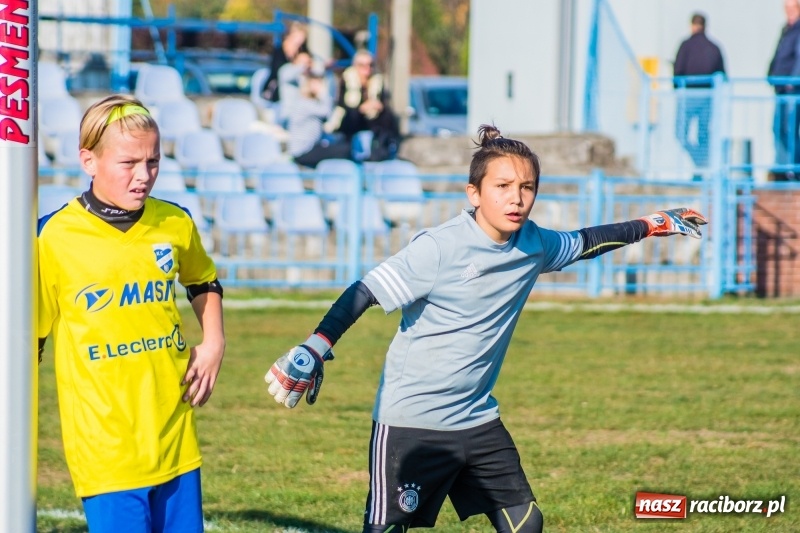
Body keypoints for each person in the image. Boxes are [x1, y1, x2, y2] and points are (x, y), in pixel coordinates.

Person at [264, 125, 708, 533]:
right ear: (474, 193)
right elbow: (364, 292)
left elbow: (588, 241)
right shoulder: (438, 248)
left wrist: (653, 224)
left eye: (527, 187)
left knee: (526, 523)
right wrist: (314, 347)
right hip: (411, 424)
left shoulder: (533, 244)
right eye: (502, 187)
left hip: (477, 420)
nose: (516, 198)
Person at [38, 94, 226, 533]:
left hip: (175, 433)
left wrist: (214, 341)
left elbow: (202, 281)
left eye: (154, 161)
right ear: (89, 161)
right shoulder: (54, 237)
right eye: (129, 163)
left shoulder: (173, 222)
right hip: (105, 445)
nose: (144, 176)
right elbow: (29, 340)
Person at [673, 12, 725, 174]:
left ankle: (700, 165)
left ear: (692, 25)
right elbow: (722, 75)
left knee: (681, 133)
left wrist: (677, 88)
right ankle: (702, 165)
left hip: (689, 96)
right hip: (708, 97)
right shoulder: (714, 47)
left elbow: (678, 71)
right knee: (704, 135)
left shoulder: (686, 46)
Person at [326, 49, 401, 161]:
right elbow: (341, 105)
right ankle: (349, 148)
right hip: (351, 120)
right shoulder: (346, 79)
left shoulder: (377, 80)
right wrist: (361, 108)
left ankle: (383, 150)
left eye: (370, 65)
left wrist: (377, 105)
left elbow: (384, 102)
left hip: (372, 120)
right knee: (352, 115)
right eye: (362, 65)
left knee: (388, 117)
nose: (367, 68)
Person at [288, 70, 353, 169]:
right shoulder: (303, 103)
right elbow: (326, 111)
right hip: (303, 151)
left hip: (313, 146)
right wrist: (323, 92)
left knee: (342, 144)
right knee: (344, 150)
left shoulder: (312, 103)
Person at [768, 0, 800, 180]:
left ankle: (795, 170)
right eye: (786, 8)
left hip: (792, 91)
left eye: (792, 8)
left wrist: (792, 82)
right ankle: (781, 170)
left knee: (790, 129)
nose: (788, 11)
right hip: (781, 89)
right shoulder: (786, 29)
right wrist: (771, 73)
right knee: (778, 129)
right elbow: (778, 55)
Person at [262, 21, 309, 108]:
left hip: (294, 95)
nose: (299, 43)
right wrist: (296, 64)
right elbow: (278, 72)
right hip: (277, 92)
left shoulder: (301, 51)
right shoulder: (279, 51)